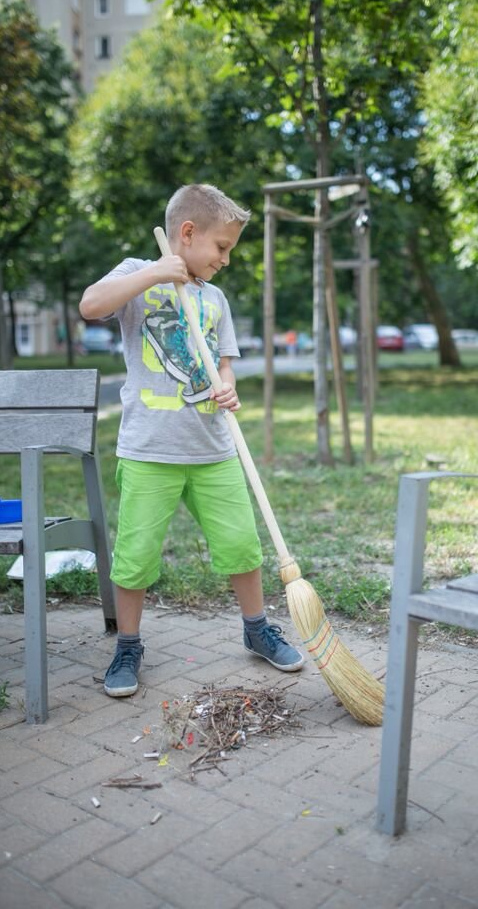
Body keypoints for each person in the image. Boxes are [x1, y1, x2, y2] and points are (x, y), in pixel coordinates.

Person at [79, 184, 304, 698]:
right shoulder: (139, 276)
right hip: (149, 452)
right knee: (135, 555)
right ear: (187, 234)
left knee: (242, 547)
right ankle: (129, 645)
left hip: (213, 450)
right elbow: (91, 304)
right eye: (221, 248)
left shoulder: (215, 299)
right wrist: (156, 273)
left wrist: (228, 386)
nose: (225, 259)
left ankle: (256, 629)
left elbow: (224, 362)